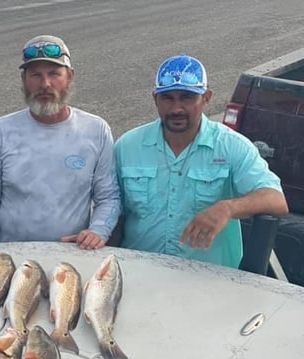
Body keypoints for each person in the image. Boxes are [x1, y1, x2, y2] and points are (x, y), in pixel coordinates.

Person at [114, 54, 288, 267]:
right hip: (139, 272)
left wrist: (227, 208)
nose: (176, 108)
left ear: (206, 97)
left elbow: (276, 200)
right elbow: (113, 209)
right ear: (155, 99)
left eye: (187, 97)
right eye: (167, 98)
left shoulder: (231, 146)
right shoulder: (127, 146)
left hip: (209, 281)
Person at [0, 35, 121, 249]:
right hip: (13, 259)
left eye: (54, 74)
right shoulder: (1, 132)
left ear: (70, 76)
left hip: (72, 256)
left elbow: (109, 197)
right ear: (24, 80)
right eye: (36, 75)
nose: (45, 84)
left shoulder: (96, 130)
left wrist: (98, 230)